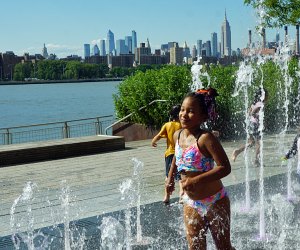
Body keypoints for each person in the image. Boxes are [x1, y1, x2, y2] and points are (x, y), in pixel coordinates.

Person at [166, 90, 234, 249]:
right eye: (182, 109)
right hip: (191, 202)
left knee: (223, 247)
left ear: (203, 116)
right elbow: (177, 156)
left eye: (190, 111)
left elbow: (225, 167)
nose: (184, 114)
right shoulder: (177, 135)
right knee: (195, 247)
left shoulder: (205, 138)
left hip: (215, 201)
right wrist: (170, 178)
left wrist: (195, 180)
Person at [151, 104, 183, 203]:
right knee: (181, 176)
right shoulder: (182, 125)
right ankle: (181, 196)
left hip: (169, 153)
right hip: (180, 153)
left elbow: (159, 135)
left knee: (168, 176)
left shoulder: (167, 125)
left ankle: (167, 196)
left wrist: (153, 141)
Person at [232, 88, 268, 165]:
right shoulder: (261, 104)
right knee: (259, 143)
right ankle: (256, 160)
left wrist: (252, 118)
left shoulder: (253, 103)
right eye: (266, 95)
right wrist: (259, 120)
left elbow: (249, 113)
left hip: (250, 124)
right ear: (263, 96)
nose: (268, 96)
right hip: (255, 125)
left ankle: (237, 151)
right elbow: (253, 113)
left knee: (251, 143)